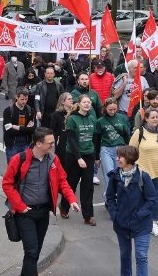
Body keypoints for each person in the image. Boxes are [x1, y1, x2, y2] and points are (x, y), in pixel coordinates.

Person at [2, 128, 80, 276]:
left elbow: (62, 181)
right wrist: (20, 206)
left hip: (43, 212)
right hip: (25, 213)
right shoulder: (19, 159)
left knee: (35, 253)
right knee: (31, 252)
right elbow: (7, 184)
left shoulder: (53, 159)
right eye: (50, 143)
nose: (53, 145)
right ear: (38, 143)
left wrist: (72, 200)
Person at [106, 145, 156, 276]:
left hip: (141, 224)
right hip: (122, 224)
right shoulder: (115, 176)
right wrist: (115, 215)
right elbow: (110, 197)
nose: (117, 159)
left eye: (120, 157)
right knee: (125, 255)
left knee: (141, 256)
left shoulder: (143, 177)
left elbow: (151, 200)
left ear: (128, 158)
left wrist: (139, 215)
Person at [129, 107, 158, 237]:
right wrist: (131, 169)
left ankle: (153, 223)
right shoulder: (139, 132)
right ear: (146, 119)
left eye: (157, 117)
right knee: (143, 197)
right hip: (144, 172)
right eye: (153, 117)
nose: (156, 119)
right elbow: (131, 151)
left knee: (156, 198)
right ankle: (141, 220)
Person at [60, 94, 98, 225]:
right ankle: (64, 206)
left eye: (89, 102)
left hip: (89, 155)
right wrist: (79, 158)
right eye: (84, 102)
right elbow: (71, 140)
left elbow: (94, 138)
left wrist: (96, 156)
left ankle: (88, 216)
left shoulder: (92, 118)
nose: (87, 104)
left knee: (88, 186)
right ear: (79, 104)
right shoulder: (72, 119)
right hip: (73, 155)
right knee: (71, 183)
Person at [95, 98, 131, 204]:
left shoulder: (121, 118)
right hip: (106, 149)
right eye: (110, 109)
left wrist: (128, 150)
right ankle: (111, 200)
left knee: (120, 175)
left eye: (114, 109)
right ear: (105, 108)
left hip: (120, 149)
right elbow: (97, 139)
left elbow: (126, 135)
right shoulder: (100, 121)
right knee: (110, 175)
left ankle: (110, 195)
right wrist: (97, 157)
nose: (112, 112)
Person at [2, 89, 37, 162]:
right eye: (22, 99)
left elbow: (33, 129)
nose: (24, 101)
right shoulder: (8, 110)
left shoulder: (30, 110)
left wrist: (18, 128)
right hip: (12, 146)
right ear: (16, 97)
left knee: (25, 166)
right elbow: (9, 131)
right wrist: (26, 129)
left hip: (26, 145)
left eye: (26, 99)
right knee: (12, 167)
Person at [50, 92, 73, 162]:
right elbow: (52, 129)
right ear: (63, 102)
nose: (71, 100)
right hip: (61, 143)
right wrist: (57, 139)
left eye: (71, 99)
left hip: (72, 142)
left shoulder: (74, 114)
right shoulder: (56, 115)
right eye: (69, 99)